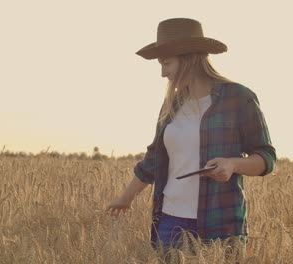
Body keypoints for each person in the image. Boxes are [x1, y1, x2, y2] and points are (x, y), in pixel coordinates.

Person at [106, 18, 276, 262]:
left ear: (189, 58)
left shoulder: (239, 98)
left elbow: (267, 158)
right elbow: (153, 159)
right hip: (170, 221)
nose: (163, 72)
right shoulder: (172, 105)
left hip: (220, 223)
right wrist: (125, 198)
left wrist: (232, 164)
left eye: (166, 63)